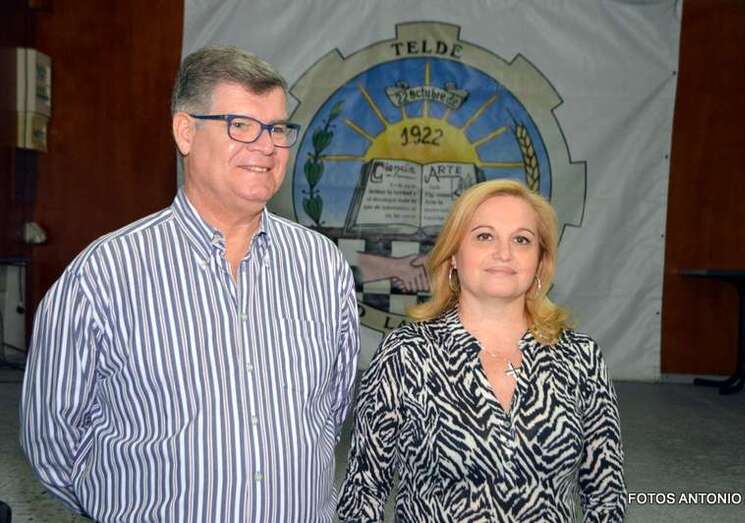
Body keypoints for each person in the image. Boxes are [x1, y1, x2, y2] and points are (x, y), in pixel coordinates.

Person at [20, 46, 360, 522]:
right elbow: (52, 439)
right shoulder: (105, 275)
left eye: (277, 129)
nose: (267, 146)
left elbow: (332, 409)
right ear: (185, 131)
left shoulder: (322, 266)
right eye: (241, 125)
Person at [337, 179, 626, 521]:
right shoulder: (405, 355)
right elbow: (363, 494)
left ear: (540, 262)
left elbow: (606, 495)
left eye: (521, 240)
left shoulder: (581, 358)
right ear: (453, 255)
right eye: (485, 236)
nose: (504, 253)